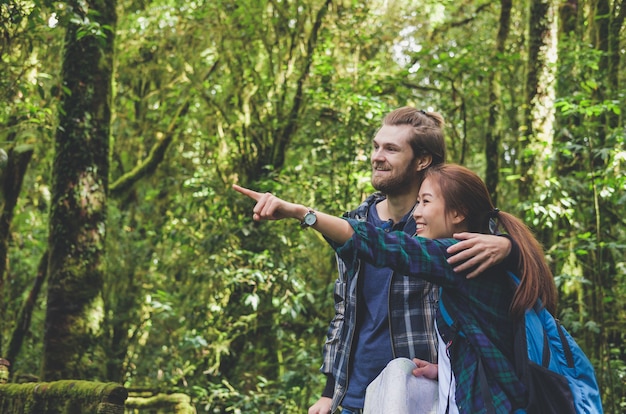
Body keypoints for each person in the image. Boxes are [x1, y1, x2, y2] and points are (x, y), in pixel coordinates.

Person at [233, 163, 558, 413]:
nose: (417, 212)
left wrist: (300, 213)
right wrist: (450, 366)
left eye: (426, 202)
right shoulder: (489, 256)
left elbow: (382, 244)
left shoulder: (456, 256)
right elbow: (486, 338)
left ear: (458, 213)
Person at [302, 107, 512, 414]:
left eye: (390, 149)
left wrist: (509, 247)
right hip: (354, 397)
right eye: (376, 146)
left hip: (422, 392)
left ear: (422, 161)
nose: (377, 156)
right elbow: (344, 310)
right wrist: (329, 390)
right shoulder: (357, 219)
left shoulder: (443, 223)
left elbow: (499, 293)